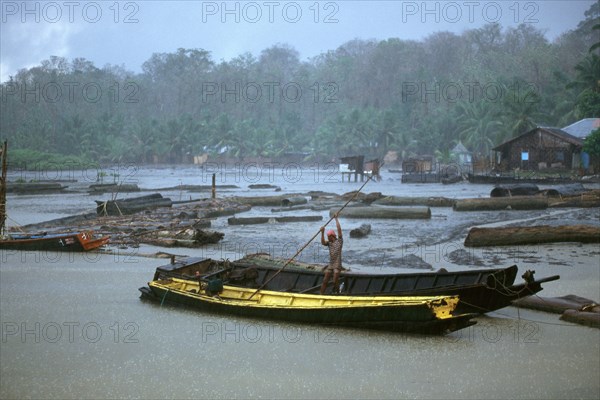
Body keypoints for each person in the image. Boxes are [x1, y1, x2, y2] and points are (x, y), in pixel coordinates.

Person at [319, 213, 344, 294]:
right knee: (325, 280)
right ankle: (321, 295)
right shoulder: (329, 243)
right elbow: (323, 242)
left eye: (328, 237)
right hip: (331, 264)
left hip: (337, 264)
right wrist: (322, 232)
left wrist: (336, 218)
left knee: (335, 280)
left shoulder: (339, 241)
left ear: (332, 236)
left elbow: (339, 229)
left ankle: (337, 293)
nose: (327, 238)